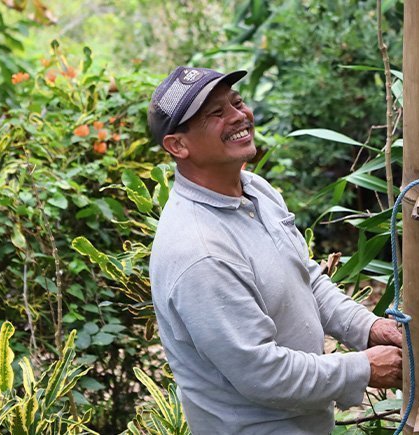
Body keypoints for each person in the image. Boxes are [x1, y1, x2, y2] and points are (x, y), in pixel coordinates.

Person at [148, 66, 403, 434]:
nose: (239, 116)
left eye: (236, 102)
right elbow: (263, 374)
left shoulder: (255, 191)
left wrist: (367, 327)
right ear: (178, 145)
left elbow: (306, 277)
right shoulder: (199, 252)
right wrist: (363, 368)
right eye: (215, 114)